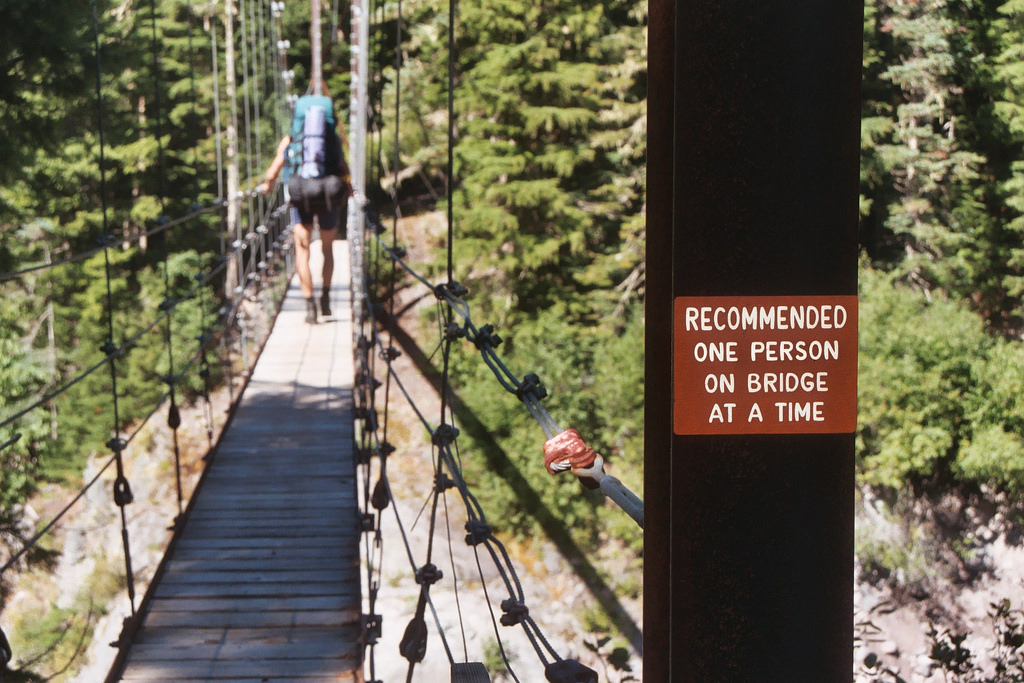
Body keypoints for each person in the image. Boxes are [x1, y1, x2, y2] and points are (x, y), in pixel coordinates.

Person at [258, 127, 349, 324]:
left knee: (302, 250)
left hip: (301, 197)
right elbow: (342, 166)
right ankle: (325, 298)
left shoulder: (291, 139)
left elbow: (274, 169)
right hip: (327, 196)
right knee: (327, 248)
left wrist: (268, 185)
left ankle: (310, 307)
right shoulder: (331, 138)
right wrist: (349, 189)